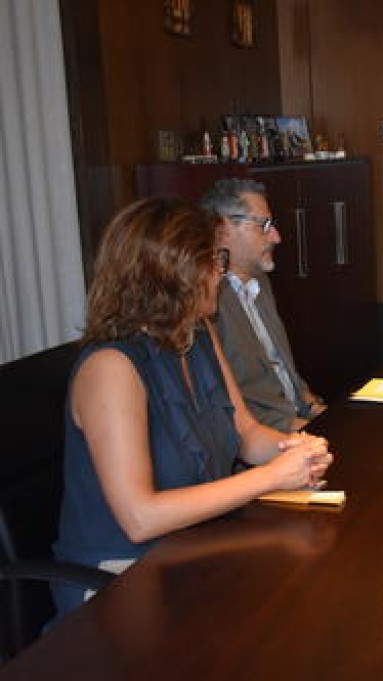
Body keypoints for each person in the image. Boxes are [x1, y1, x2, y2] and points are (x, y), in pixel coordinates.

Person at [52, 198, 334, 615]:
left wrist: (294, 451)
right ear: (173, 273)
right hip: (123, 578)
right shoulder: (110, 368)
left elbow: (245, 434)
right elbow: (139, 518)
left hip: (195, 546)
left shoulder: (197, 332)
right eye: (214, 261)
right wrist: (271, 478)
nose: (220, 274)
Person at [199, 178, 325, 432]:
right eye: (264, 225)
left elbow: (285, 374)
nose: (276, 237)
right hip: (264, 436)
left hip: (298, 419)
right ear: (223, 230)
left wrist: (318, 410)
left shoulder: (260, 282)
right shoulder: (205, 300)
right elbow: (233, 407)